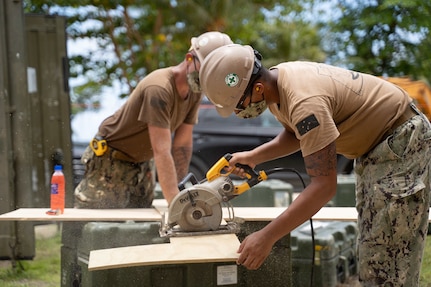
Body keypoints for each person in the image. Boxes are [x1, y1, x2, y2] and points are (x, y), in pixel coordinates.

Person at [199, 44, 431, 286]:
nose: (239, 112)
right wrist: (253, 156)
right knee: (374, 244)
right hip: (377, 146)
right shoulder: (279, 83)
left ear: (258, 88)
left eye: (238, 105)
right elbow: (295, 133)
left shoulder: (304, 101)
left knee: (389, 259)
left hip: (400, 142)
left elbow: (323, 187)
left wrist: (267, 237)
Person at [74, 31, 233, 209]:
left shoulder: (195, 91)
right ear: (189, 59)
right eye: (203, 70)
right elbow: (162, 150)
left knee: (140, 217)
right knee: (97, 218)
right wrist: (177, 205)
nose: (205, 78)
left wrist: (181, 191)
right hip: (111, 158)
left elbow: (182, 145)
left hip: (142, 161)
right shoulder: (159, 88)